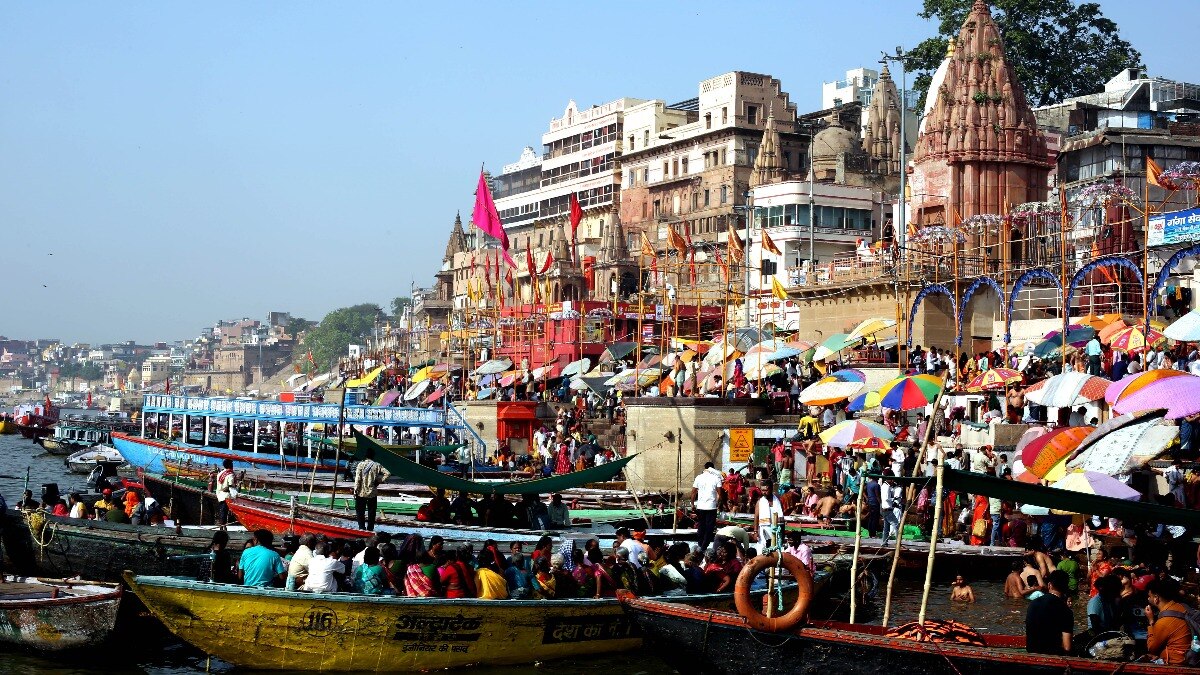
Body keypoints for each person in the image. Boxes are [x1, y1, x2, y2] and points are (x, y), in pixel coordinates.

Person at [1145, 577, 1193, 665]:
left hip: (1176, 662)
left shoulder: (1164, 622)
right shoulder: (1182, 607)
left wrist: (1151, 622)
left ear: (1156, 598)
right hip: (1188, 657)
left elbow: (1151, 648)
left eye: (1149, 596)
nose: (1148, 599)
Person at [1025, 570, 1073, 655]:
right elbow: (1067, 647)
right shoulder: (1065, 610)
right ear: (1066, 587)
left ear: (1049, 585)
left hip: (1031, 650)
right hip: (1052, 654)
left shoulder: (1033, 603)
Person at [353, 446, 391, 531]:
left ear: (365, 456)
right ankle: (370, 529)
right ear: (373, 456)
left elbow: (358, 479)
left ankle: (362, 528)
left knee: (360, 512)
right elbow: (388, 473)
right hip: (372, 492)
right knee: (371, 512)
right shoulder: (377, 465)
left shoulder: (361, 465)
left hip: (361, 492)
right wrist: (379, 481)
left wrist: (355, 490)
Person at [691, 461, 722, 552]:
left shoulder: (698, 477)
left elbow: (693, 492)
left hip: (700, 506)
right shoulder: (716, 478)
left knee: (701, 526)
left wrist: (692, 504)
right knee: (709, 527)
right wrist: (717, 503)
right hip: (711, 506)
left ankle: (701, 545)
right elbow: (720, 494)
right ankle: (704, 546)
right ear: (713, 469)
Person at [753, 481, 784, 553]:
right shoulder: (760, 502)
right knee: (762, 550)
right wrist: (755, 532)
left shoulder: (778, 501)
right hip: (764, 529)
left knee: (777, 550)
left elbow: (782, 517)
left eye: (766, 490)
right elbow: (756, 517)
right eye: (762, 490)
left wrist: (783, 532)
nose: (764, 492)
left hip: (777, 529)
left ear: (771, 489)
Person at [215, 459, 236, 527]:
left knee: (222, 511)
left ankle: (222, 525)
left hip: (219, 495)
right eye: (232, 464)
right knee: (224, 512)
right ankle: (223, 526)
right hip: (226, 496)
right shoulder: (231, 475)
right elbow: (230, 487)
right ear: (230, 465)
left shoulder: (220, 473)